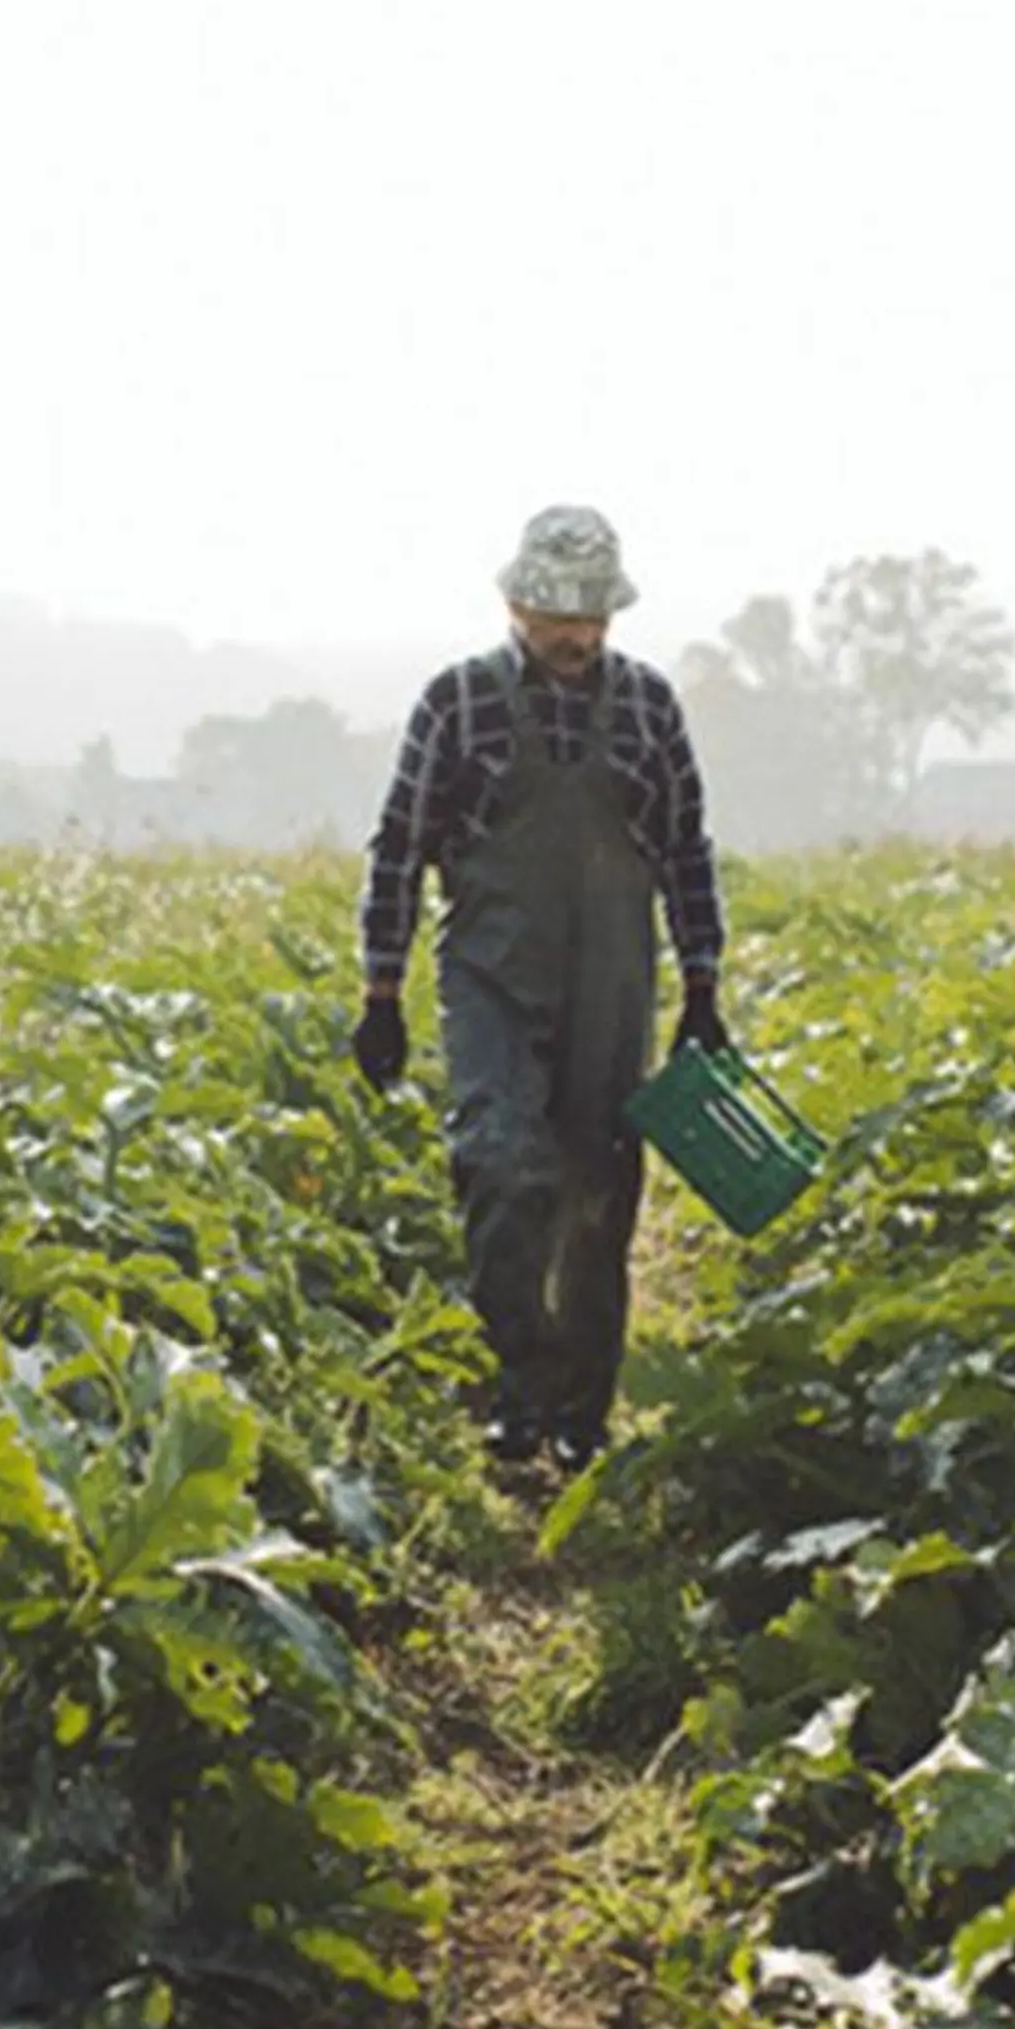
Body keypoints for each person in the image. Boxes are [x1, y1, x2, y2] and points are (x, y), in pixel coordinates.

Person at [355, 504, 729, 1464]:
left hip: (612, 979)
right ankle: (515, 1383)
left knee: (600, 1194)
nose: (580, 634)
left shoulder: (649, 707)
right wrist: (381, 994)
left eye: (595, 614)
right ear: (517, 601)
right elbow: (401, 848)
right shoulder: (458, 703)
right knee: (501, 1163)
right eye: (562, 613)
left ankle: (579, 1413)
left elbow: (685, 850)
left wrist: (702, 989)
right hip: (491, 976)